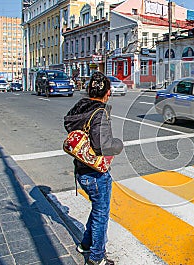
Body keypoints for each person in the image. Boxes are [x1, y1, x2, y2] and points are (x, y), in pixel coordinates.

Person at [64, 71, 123, 265]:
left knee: (97, 209)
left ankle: (85, 245)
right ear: (107, 92)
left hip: (81, 169)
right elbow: (102, 145)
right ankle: (97, 257)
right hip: (96, 172)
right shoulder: (100, 112)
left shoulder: (78, 109)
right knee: (101, 214)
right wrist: (118, 144)